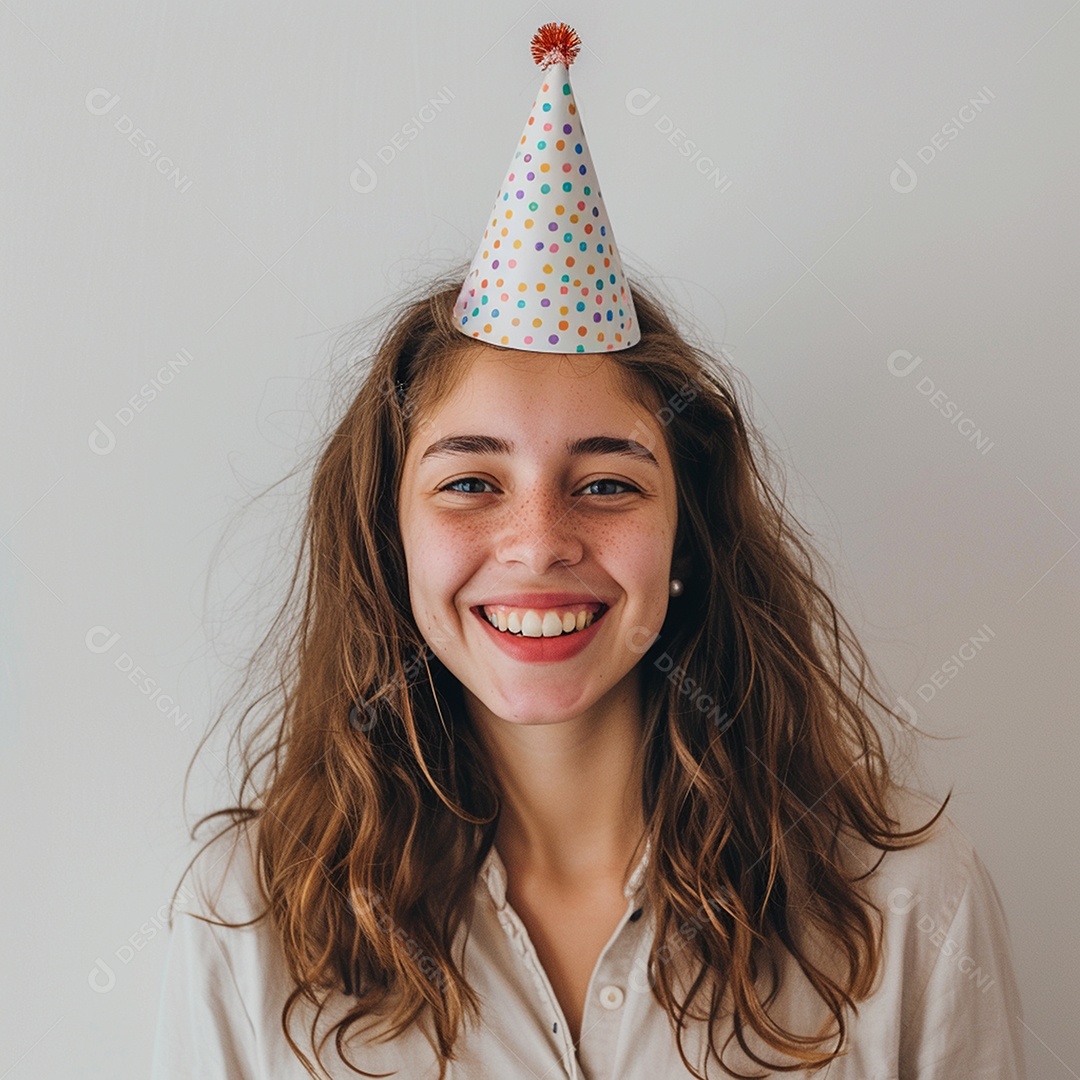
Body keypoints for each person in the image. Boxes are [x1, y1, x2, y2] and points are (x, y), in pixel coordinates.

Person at [150, 23, 1027, 1080]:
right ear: (390, 542)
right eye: (471, 483)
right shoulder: (251, 915)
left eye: (606, 483)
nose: (538, 545)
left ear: (686, 535)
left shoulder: (908, 911)